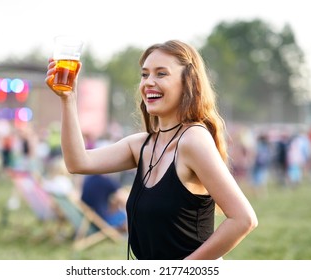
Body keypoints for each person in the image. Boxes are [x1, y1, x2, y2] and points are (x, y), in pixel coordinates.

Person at [45, 39, 258, 260]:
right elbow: (77, 162)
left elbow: (243, 219)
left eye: (161, 74)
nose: (148, 82)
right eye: (145, 74)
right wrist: (68, 99)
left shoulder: (193, 140)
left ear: (188, 82)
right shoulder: (141, 145)